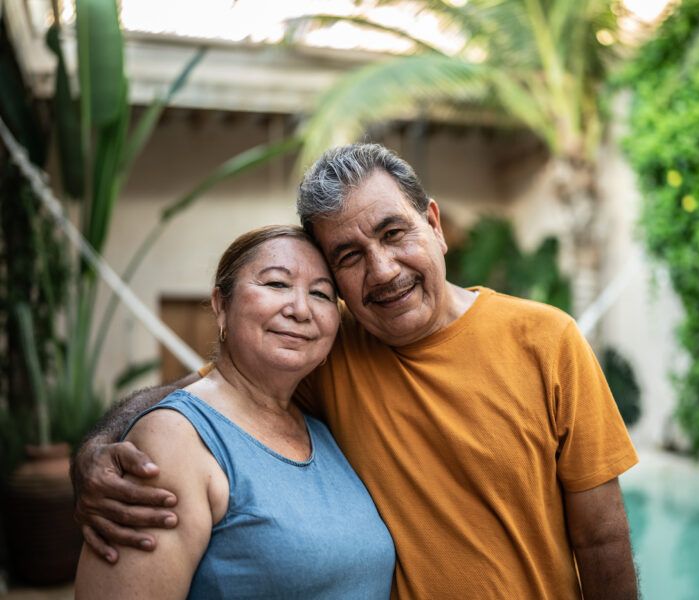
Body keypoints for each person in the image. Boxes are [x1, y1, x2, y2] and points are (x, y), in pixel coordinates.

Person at [73, 144, 639, 599]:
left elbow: (602, 538)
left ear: (434, 225)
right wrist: (98, 448)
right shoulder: (325, 348)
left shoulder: (547, 339)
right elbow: (206, 400)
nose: (382, 270)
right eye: (348, 256)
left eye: (394, 234)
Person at [74, 225, 395, 599]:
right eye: (276, 284)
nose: (300, 309)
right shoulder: (172, 441)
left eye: (321, 294)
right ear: (221, 305)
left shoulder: (322, 428)